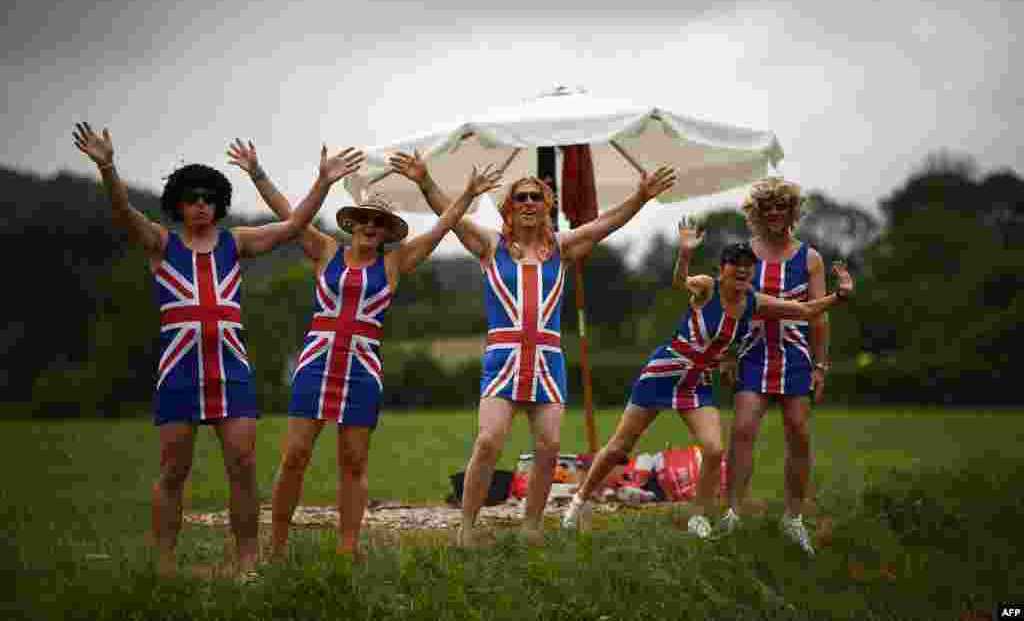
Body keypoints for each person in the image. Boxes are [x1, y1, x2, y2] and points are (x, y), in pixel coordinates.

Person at [72, 122, 362, 575]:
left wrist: (323, 182)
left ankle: (247, 562)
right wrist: (108, 167)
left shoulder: (235, 241)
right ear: (179, 204)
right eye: (193, 199)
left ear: (218, 203)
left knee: (243, 467)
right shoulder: (160, 244)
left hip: (231, 372)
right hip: (180, 374)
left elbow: (294, 226)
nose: (202, 206)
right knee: (173, 473)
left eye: (209, 198)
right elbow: (124, 212)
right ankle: (165, 565)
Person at [227, 139, 502, 557]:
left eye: (380, 222)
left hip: (361, 370)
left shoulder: (395, 263)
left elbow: (441, 228)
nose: (371, 226)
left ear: (388, 231)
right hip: (316, 365)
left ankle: (347, 549)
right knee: (295, 456)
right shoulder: (324, 250)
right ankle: (277, 547)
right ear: (353, 224)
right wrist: (257, 172)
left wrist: (465, 193)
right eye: (365, 220)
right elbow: (288, 214)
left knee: (353, 462)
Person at [388, 150, 677, 544]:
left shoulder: (561, 247)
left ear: (546, 207)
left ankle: (531, 527)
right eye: (520, 197)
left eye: (535, 197)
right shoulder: (491, 245)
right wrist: (424, 180)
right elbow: (450, 215)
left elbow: (604, 225)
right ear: (509, 207)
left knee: (549, 446)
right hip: (503, 359)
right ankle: (467, 528)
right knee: (488, 440)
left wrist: (640, 197)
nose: (528, 203)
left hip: (547, 361)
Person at [561, 219, 853, 542]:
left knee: (714, 450)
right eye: (735, 266)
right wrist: (684, 254)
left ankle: (697, 516)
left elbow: (805, 311)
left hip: (696, 381)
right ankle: (578, 502)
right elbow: (679, 281)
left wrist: (837, 296)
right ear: (721, 268)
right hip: (664, 372)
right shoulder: (707, 287)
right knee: (620, 446)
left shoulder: (755, 302)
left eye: (747, 267)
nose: (742, 272)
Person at [721, 177, 829, 554]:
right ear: (756, 214)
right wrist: (728, 352)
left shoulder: (810, 258)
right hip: (752, 352)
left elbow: (818, 316)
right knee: (743, 429)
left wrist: (820, 366)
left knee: (798, 432)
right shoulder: (743, 256)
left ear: (791, 212)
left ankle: (793, 518)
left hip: (796, 355)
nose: (774, 214)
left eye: (781, 208)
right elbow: (729, 306)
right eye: (766, 208)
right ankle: (732, 513)